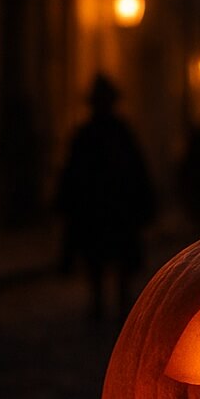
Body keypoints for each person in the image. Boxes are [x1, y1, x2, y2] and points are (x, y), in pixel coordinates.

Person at [56, 74, 157, 320]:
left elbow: (136, 171)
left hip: (112, 209)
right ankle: (103, 302)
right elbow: (74, 173)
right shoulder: (95, 134)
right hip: (100, 209)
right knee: (99, 262)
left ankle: (113, 303)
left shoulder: (108, 133)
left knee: (108, 262)